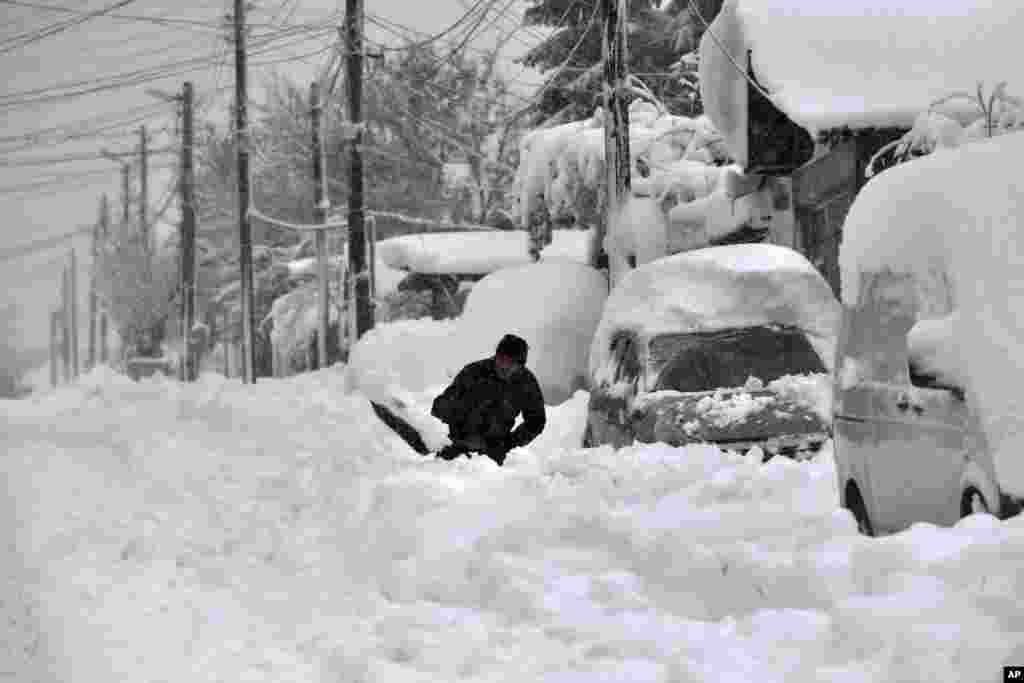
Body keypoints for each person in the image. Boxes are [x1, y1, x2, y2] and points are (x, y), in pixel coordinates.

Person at [431, 334, 546, 465]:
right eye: (501, 359)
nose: (504, 366)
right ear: (495, 356)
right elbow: (439, 407)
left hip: (494, 452)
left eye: (510, 362)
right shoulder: (474, 372)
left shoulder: (526, 383)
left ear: (520, 365)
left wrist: (509, 444)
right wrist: (454, 416)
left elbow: (536, 421)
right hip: (458, 445)